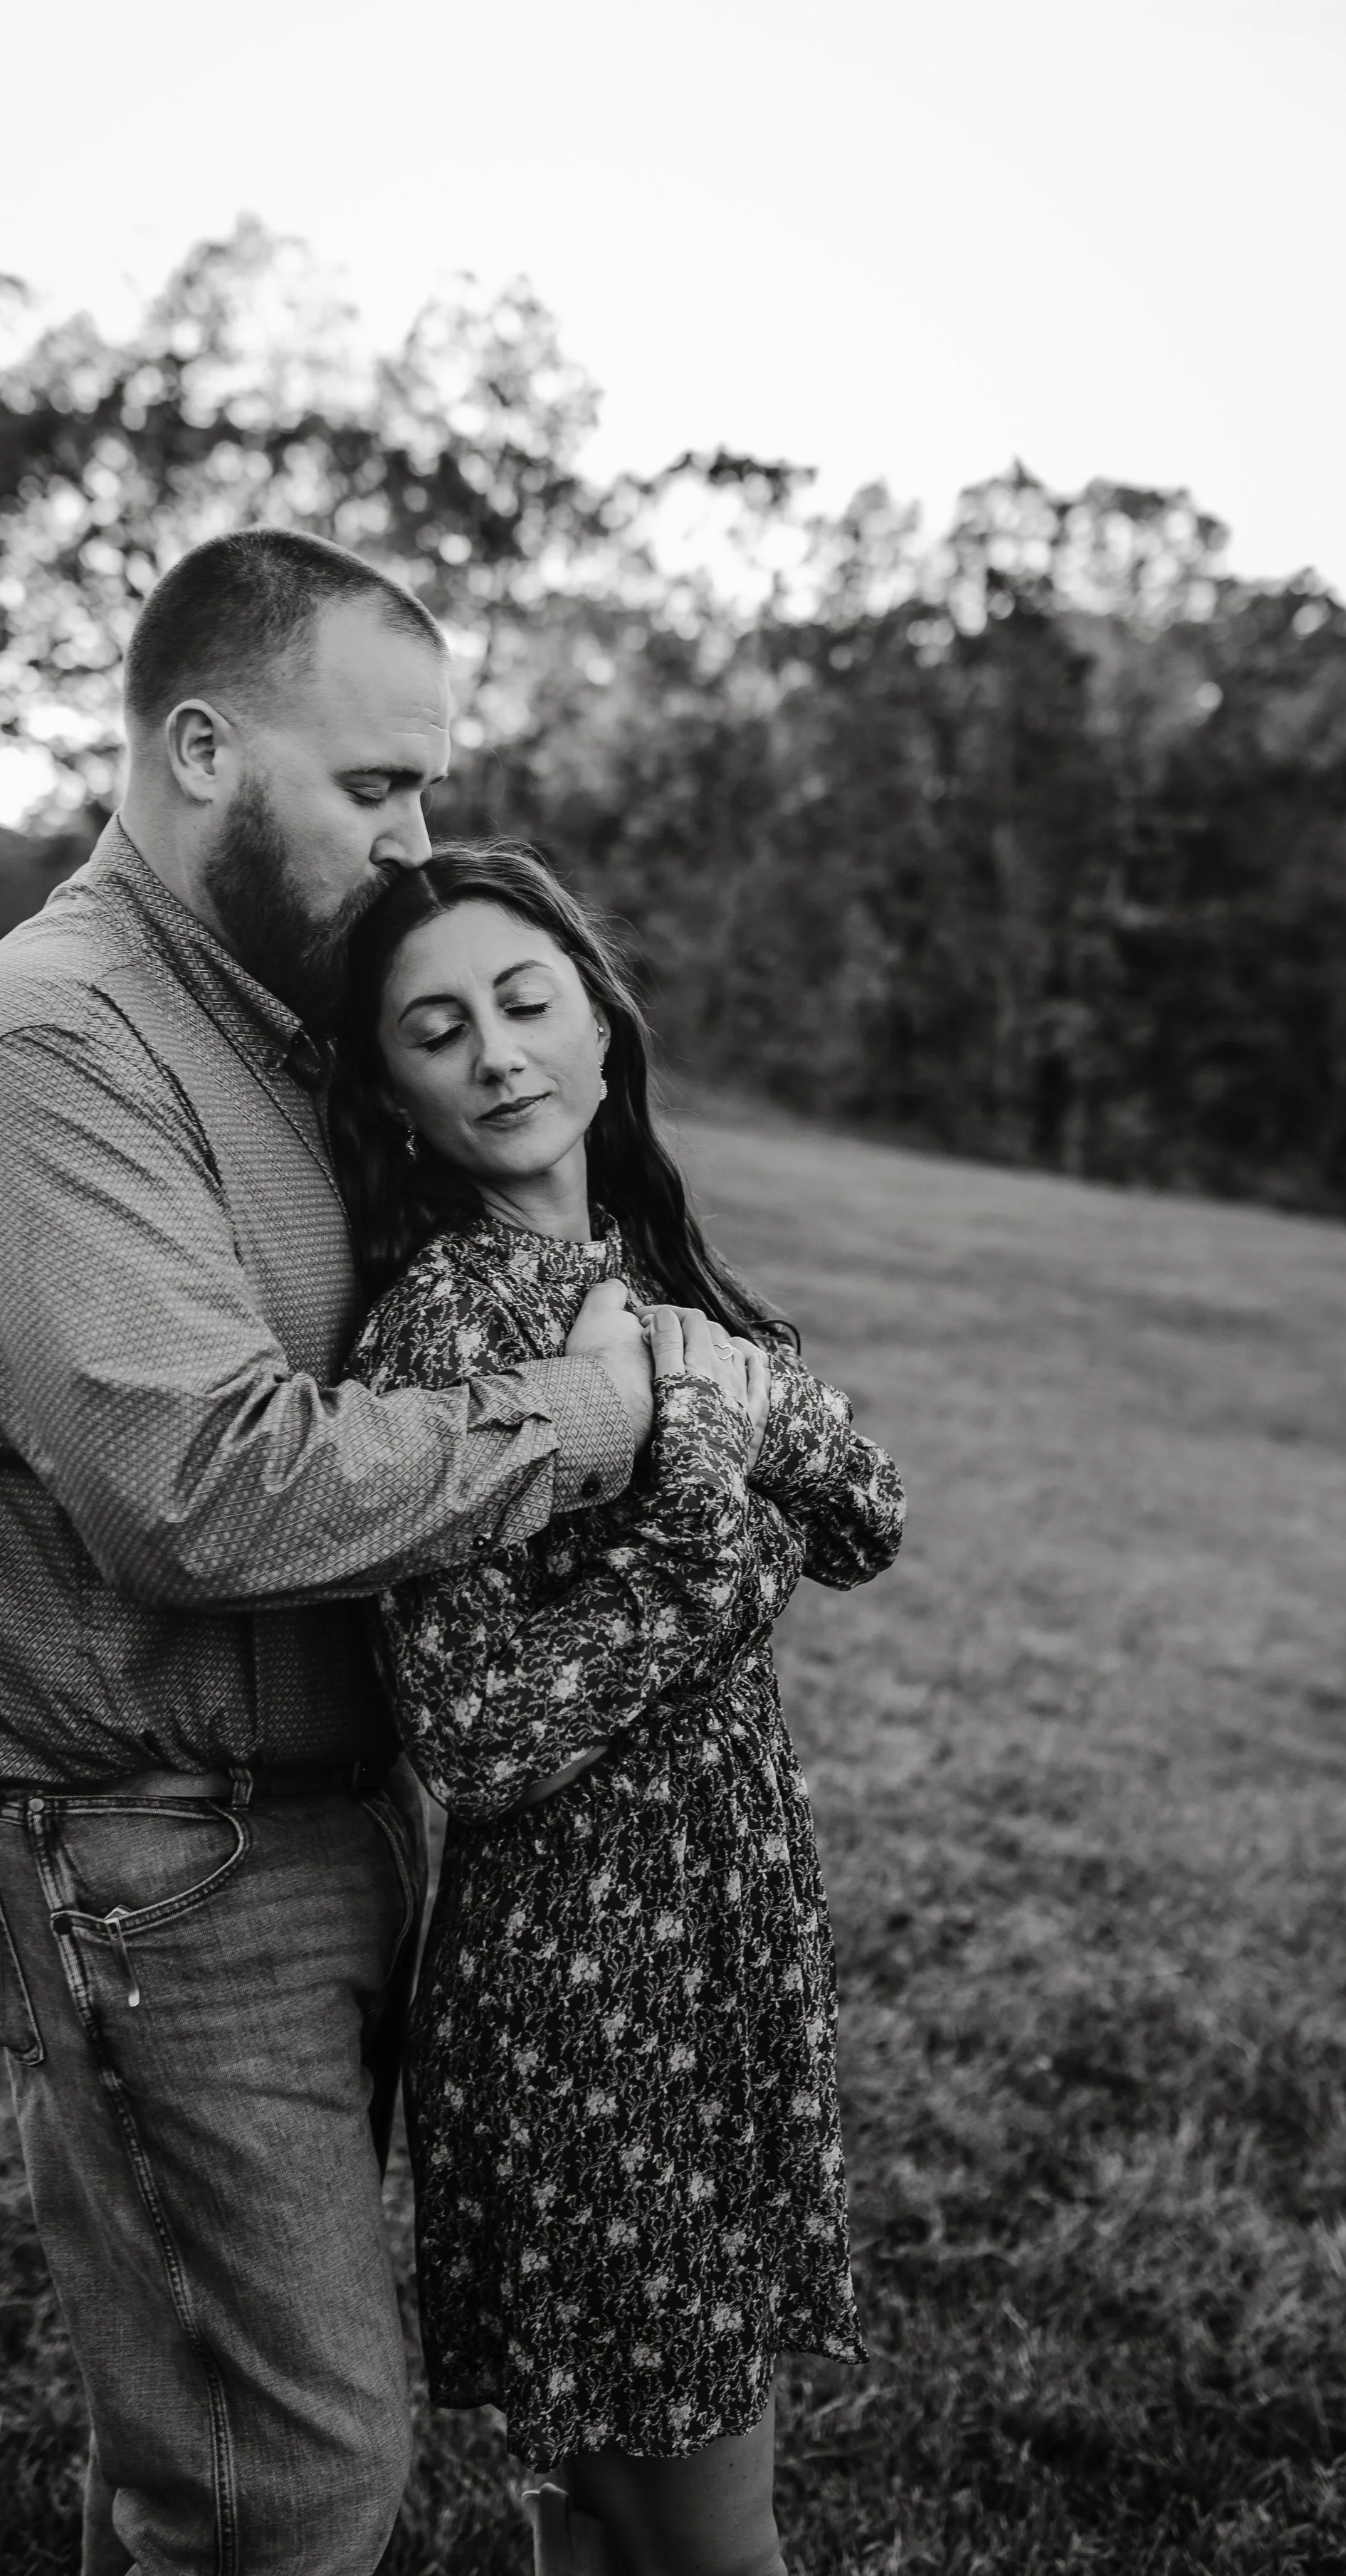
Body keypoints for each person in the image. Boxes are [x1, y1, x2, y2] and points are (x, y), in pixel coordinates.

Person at [0, 532, 663, 2576]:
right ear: (203, 745)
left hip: (319, 1818)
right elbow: (201, 1484)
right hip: (150, 1853)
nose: (420, 846)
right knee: (281, 2482)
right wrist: (572, 1425)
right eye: (377, 788)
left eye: (431, 791)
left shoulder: (280, 1016)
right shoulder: (51, 1042)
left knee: (242, 2436)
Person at [330, 846, 907, 2576]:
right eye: (439, 1031)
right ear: (395, 1092)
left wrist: (714, 1406)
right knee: (719, 2540)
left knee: (610, 2517)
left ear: (597, 1029)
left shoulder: (650, 1272)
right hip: (592, 1989)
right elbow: (483, 1734)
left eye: (525, 1003)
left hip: (716, 1934)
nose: (496, 1053)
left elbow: (870, 1514)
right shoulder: (442, 1332)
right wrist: (719, 1498)